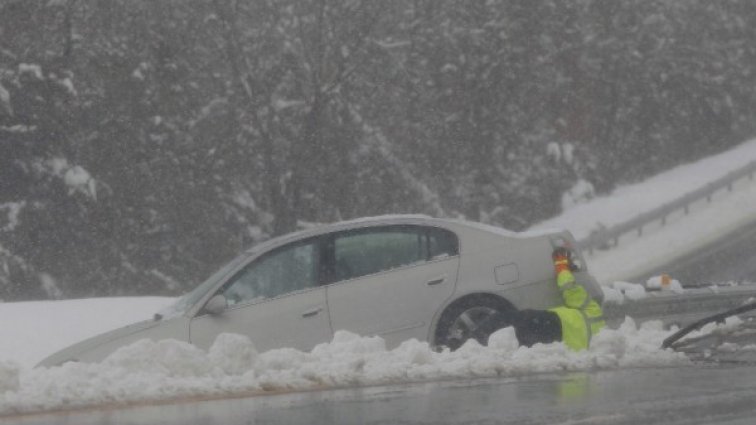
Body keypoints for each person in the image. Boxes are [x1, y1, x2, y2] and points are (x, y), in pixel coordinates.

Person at [511, 246, 605, 351]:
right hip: (559, 342)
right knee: (524, 345)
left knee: (520, 319)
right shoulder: (599, 343)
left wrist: (562, 266)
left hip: (555, 323)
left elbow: (569, 288)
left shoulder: (594, 311)